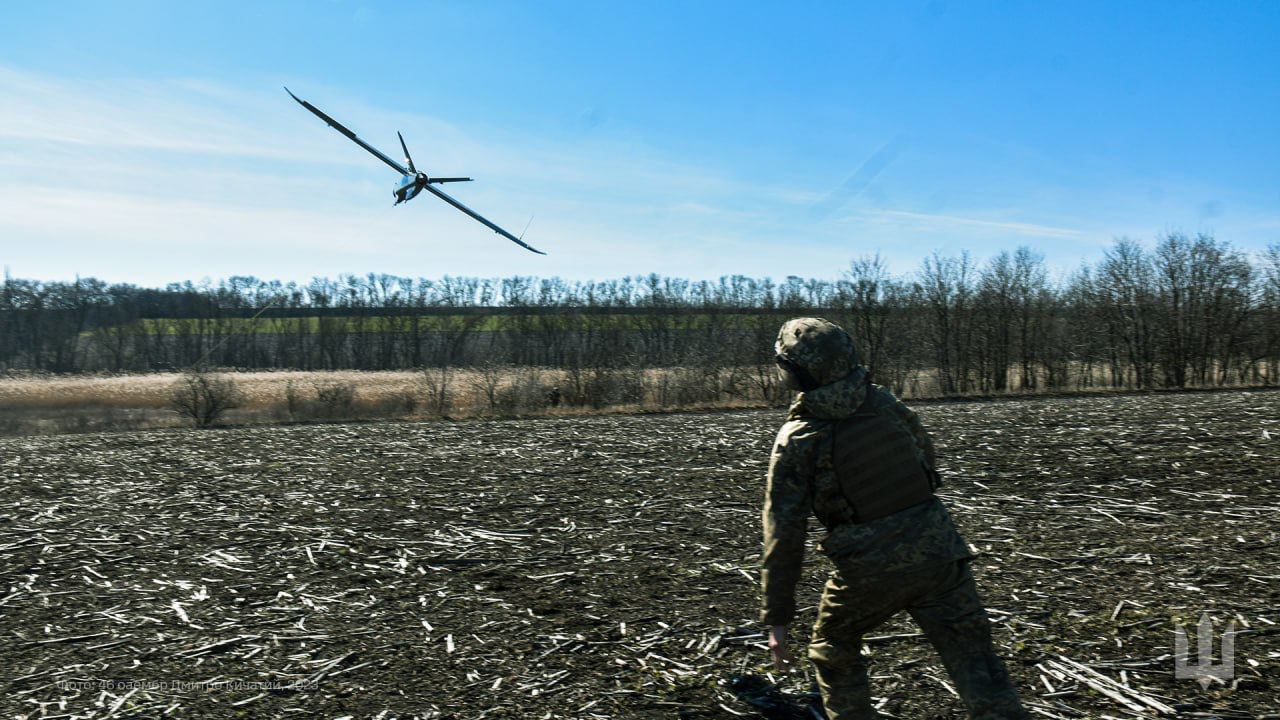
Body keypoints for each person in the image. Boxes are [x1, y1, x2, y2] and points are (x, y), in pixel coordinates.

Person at [761, 317, 1027, 720]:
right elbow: (927, 463)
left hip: (869, 568)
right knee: (976, 662)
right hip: (939, 551)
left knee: (833, 645)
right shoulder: (884, 403)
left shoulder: (797, 438)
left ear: (795, 372)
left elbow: (783, 533)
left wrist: (777, 618)